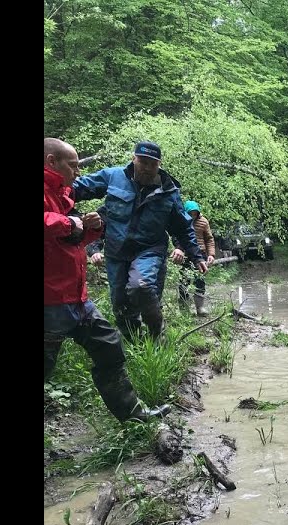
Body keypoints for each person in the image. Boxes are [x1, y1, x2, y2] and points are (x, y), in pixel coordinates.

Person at [44, 138, 170, 423]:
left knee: (109, 345)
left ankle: (135, 416)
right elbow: (56, 225)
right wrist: (70, 223)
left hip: (75, 297)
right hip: (49, 300)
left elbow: (68, 241)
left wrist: (90, 230)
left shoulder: (63, 194)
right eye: (73, 165)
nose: (78, 173)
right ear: (52, 162)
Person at [74, 140, 207, 340]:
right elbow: (75, 189)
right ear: (133, 159)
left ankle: (156, 332)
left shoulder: (168, 191)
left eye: (153, 164)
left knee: (140, 286)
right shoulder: (113, 177)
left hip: (150, 249)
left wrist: (197, 256)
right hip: (116, 251)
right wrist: (75, 215)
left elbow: (182, 226)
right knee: (120, 303)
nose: (147, 168)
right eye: (143, 161)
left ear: (159, 165)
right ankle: (135, 342)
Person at [177, 200, 215, 315]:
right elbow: (177, 237)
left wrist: (211, 254)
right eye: (190, 213)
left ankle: (200, 307)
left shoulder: (203, 222)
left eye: (195, 213)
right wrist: (179, 249)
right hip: (186, 254)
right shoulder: (181, 221)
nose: (193, 215)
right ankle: (184, 308)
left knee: (200, 280)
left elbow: (209, 239)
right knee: (184, 281)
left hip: (201, 254)